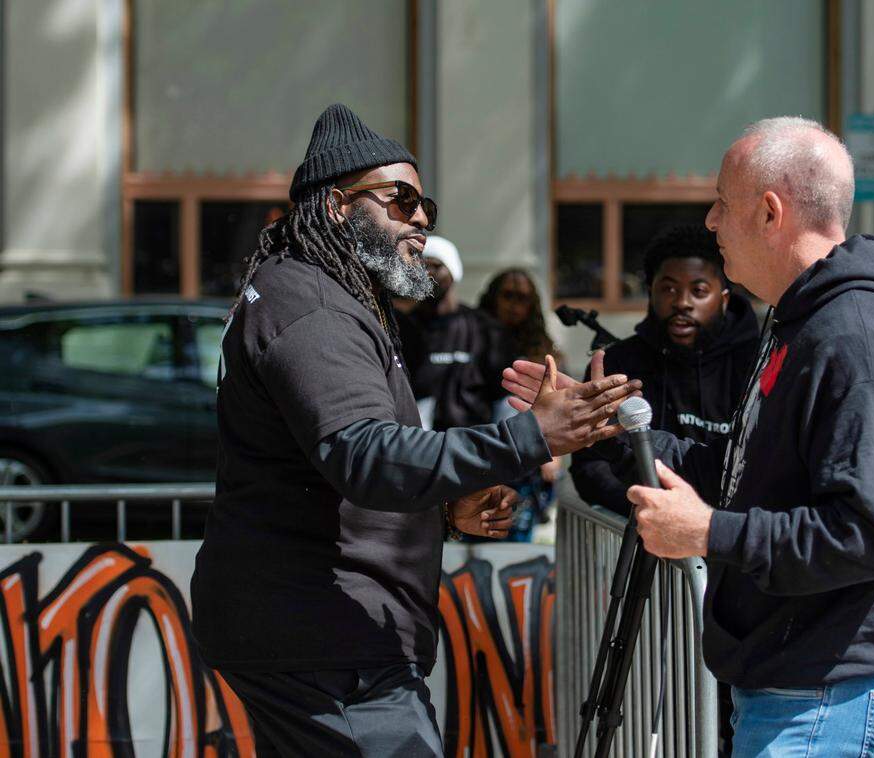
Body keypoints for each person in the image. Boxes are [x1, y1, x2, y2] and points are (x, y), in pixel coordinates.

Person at [190, 103, 640, 758]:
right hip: (325, 640)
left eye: (424, 201)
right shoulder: (312, 307)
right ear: (339, 206)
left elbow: (330, 468)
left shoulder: (331, 297)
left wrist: (444, 510)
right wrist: (531, 434)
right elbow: (362, 455)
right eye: (399, 200)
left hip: (330, 634)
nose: (422, 217)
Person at [504, 116, 874, 756]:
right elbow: (738, 471)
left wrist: (708, 532)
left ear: (770, 213)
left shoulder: (854, 337)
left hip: (828, 702)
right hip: (796, 695)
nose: (710, 222)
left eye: (721, 203)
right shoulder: (801, 321)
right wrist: (598, 424)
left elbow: (870, 533)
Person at [569, 224, 760, 517]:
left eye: (698, 291)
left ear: (723, 299)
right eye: (669, 288)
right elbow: (590, 465)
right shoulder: (616, 364)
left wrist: (711, 524)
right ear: (651, 292)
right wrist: (649, 509)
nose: (682, 302)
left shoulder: (759, 363)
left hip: (731, 541)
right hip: (640, 538)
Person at [477, 268, 565, 539]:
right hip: (479, 451)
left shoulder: (542, 348)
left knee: (515, 542)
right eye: (508, 296)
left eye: (523, 298)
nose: (515, 305)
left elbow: (557, 403)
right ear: (494, 298)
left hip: (524, 459)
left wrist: (554, 455)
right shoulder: (473, 335)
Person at [396, 236, 514, 431]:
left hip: (475, 446)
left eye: (436, 265)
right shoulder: (402, 328)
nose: (428, 272)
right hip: (420, 446)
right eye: (421, 265)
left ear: (453, 271)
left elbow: (504, 398)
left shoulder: (483, 329)